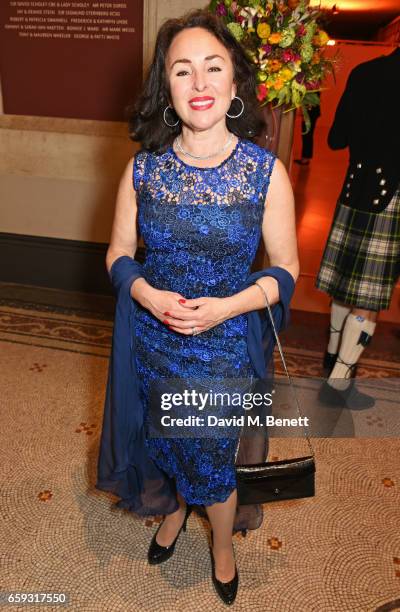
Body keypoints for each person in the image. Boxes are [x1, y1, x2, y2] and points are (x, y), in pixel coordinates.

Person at [95, 8, 299, 606]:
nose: (200, 83)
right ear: (167, 87)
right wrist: (147, 295)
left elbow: (286, 271)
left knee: (211, 450)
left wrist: (224, 308)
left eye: (214, 68)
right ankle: (178, 511)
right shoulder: (143, 169)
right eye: (183, 71)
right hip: (154, 339)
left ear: (235, 83)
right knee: (169, 440)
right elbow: (117, 254)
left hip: (226, 341)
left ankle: (223, 543)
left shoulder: (265, 174)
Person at [315, 46, 400, 409]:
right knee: (369, 296)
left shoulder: (364, 72)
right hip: (393, 195)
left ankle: (332, 358)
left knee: (346, 285)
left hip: (354, 188)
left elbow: (336, 139)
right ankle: (337, 385)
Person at [294, 92, 321, 166]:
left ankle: (305, 158)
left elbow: (310, 99)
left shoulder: (312, 85)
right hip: (311, 112)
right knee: (307, 135)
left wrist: (305, 112)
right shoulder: (314, 84)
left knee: (307, 135)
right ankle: (306, 157)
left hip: (310, 112)